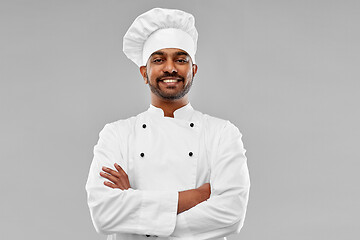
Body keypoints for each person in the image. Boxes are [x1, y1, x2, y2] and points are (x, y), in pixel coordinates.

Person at [85, 8, 250, 240]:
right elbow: (104, 213)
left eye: (181, 59)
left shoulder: (223, 133)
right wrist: (199, 195)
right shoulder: (116, 134)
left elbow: (231, 213)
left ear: (193, 70)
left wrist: (135, 208)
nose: (170, 68)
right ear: (144, 72)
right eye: (159, 59)